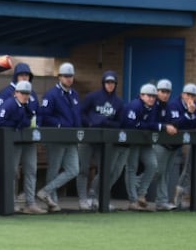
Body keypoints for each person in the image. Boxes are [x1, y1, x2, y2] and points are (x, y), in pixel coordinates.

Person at [0, 80, 46, 214]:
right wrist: (15, 125)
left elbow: (31, 118)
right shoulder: (10, 104)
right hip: (8, 141)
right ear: (15, 93)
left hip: (26, 140)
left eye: (27, 93)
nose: (25, 96)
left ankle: (30, 203)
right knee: (10, 171)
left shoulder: (26, 105)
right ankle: (9, 202)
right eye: (22, 93)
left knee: (31, 170)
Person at [76, 70, 125, 211]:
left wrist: (104, 121)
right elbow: (81, 113)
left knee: (105, 169)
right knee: (83, 169)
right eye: (108, 82)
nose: (110, 85)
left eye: (113, 83)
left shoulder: (118, 102)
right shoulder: (93, 97)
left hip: (104, 141)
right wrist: (91, 123)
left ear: (116, 84)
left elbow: (119, 123)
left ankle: (97, 197)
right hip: (87, 138)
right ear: (103, 83)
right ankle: (82, 199)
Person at [37, 62, 81, 212]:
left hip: (71, 138)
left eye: (71, 76)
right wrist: (60, 125)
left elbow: (77, 115)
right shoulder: (51, 94)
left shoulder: (74, 94)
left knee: (74, 169)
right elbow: (44, 116)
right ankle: (52, 202)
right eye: (66, 76)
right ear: (60, 77)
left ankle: (46, 191)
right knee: (53, 169)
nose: (69, 79)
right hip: (56, 137)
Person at [121, 83, 161, 211]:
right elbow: (130, 124)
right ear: (141, 95)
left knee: (153, 165)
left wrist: (147, 125)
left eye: (153, 96)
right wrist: (146, 125)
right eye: (149, 96)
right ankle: (133, 200)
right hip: (131, 140)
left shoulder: (154, 107)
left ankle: (141, 194)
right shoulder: (135, 105)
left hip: (145, 141)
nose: (151, 99)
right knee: (132, 168)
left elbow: (151, 123)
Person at [171, 83, 196, 208]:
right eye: (188, 94)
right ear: (183, 94)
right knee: (162, 171)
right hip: (170, 142)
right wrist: (188, 113)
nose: (190, 98)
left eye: (193, 95)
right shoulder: (174, 105)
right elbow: (176, 124)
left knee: (190, 168)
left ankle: (181, 194)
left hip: (189, 141)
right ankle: (163, 200)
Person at [152, 79, 180, 211]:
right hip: (157, 143)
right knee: (156, 171)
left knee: (164, 172)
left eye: (167, 92)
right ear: (157, 91)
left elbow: (175, 121)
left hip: (169, 145)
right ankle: (136, 194)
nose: (165, 94)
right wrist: (164, 127)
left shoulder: (170, 106)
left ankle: (162, 200)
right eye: (162, 91)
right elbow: (151, 123)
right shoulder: (153, 104)